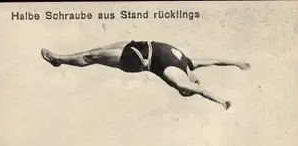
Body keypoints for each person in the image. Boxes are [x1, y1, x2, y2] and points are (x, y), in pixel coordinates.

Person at [41, 41, 250, 109]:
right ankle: (60, 60)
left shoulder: (177, 78)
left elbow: (200, 90)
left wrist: (222, 101)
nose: (196, 80)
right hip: (141, 44)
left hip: (136, 59)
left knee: (91, 57)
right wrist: (237, 63)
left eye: (190, 88)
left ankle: (58, 59)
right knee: (95, 50)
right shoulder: (189, 64)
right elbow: (215, 61)